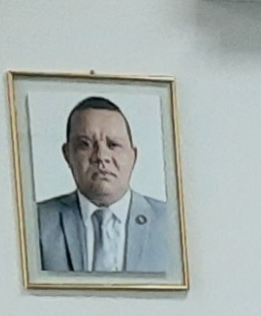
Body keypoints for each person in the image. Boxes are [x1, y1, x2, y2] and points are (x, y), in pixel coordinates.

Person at [31, 94, 177, 278]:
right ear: (67, 155)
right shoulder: (35, 223)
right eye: (85, 145)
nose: (101, 156)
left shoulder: (172, 224)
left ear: (133, 156)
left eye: (113, 145)